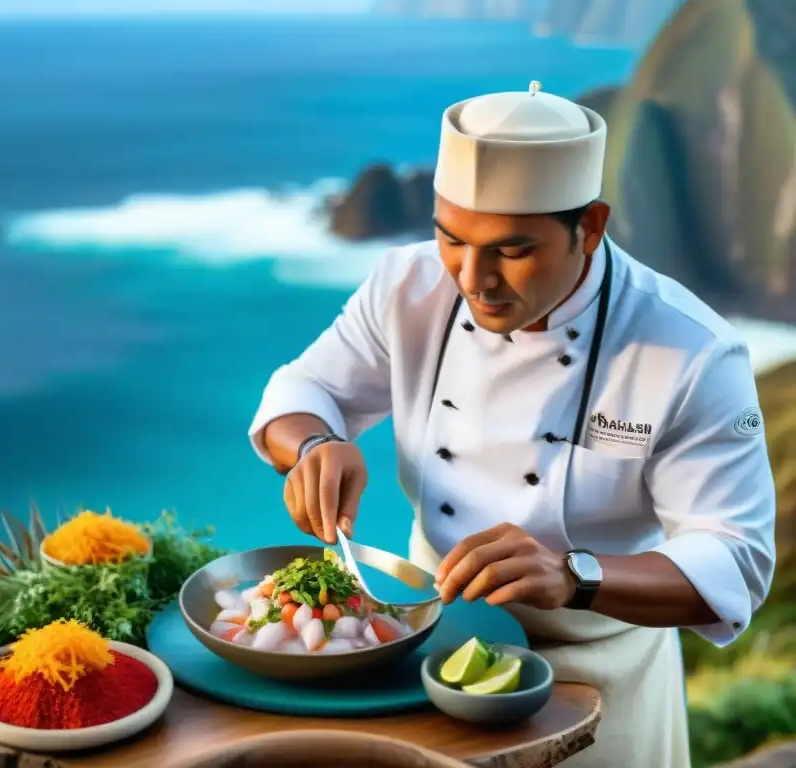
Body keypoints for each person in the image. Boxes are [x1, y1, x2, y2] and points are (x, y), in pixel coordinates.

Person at [247, 81, 777, 767]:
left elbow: (736, 557)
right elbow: (304, 388)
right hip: (431, 643)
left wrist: (575, 574)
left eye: (511, 249)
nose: (474, 279)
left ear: (589, 227)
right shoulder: (405, 286)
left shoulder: (692, 352)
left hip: (601, 672)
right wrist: (316, 442)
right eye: (451, 238)